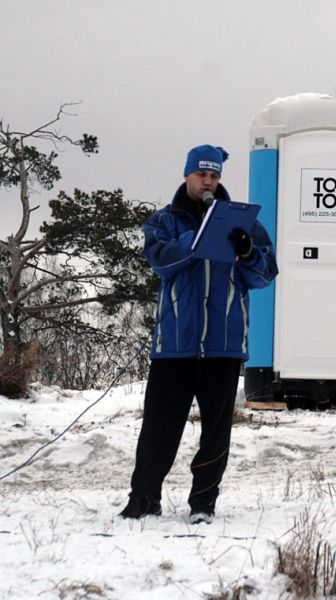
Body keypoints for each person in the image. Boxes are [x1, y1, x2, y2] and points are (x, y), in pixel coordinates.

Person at [119, 144, 278, 524]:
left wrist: (247, 252)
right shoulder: (164, 221)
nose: (208, 181)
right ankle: (143, 499)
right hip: (174, 346)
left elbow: (264, 275)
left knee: (216, 430)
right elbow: (160, 261)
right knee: (159, 427)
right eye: (201, 174)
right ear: (187, 174)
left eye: (215, 175)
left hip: (223, 346)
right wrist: (199, 239)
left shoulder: (245, 223)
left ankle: (203, 504)